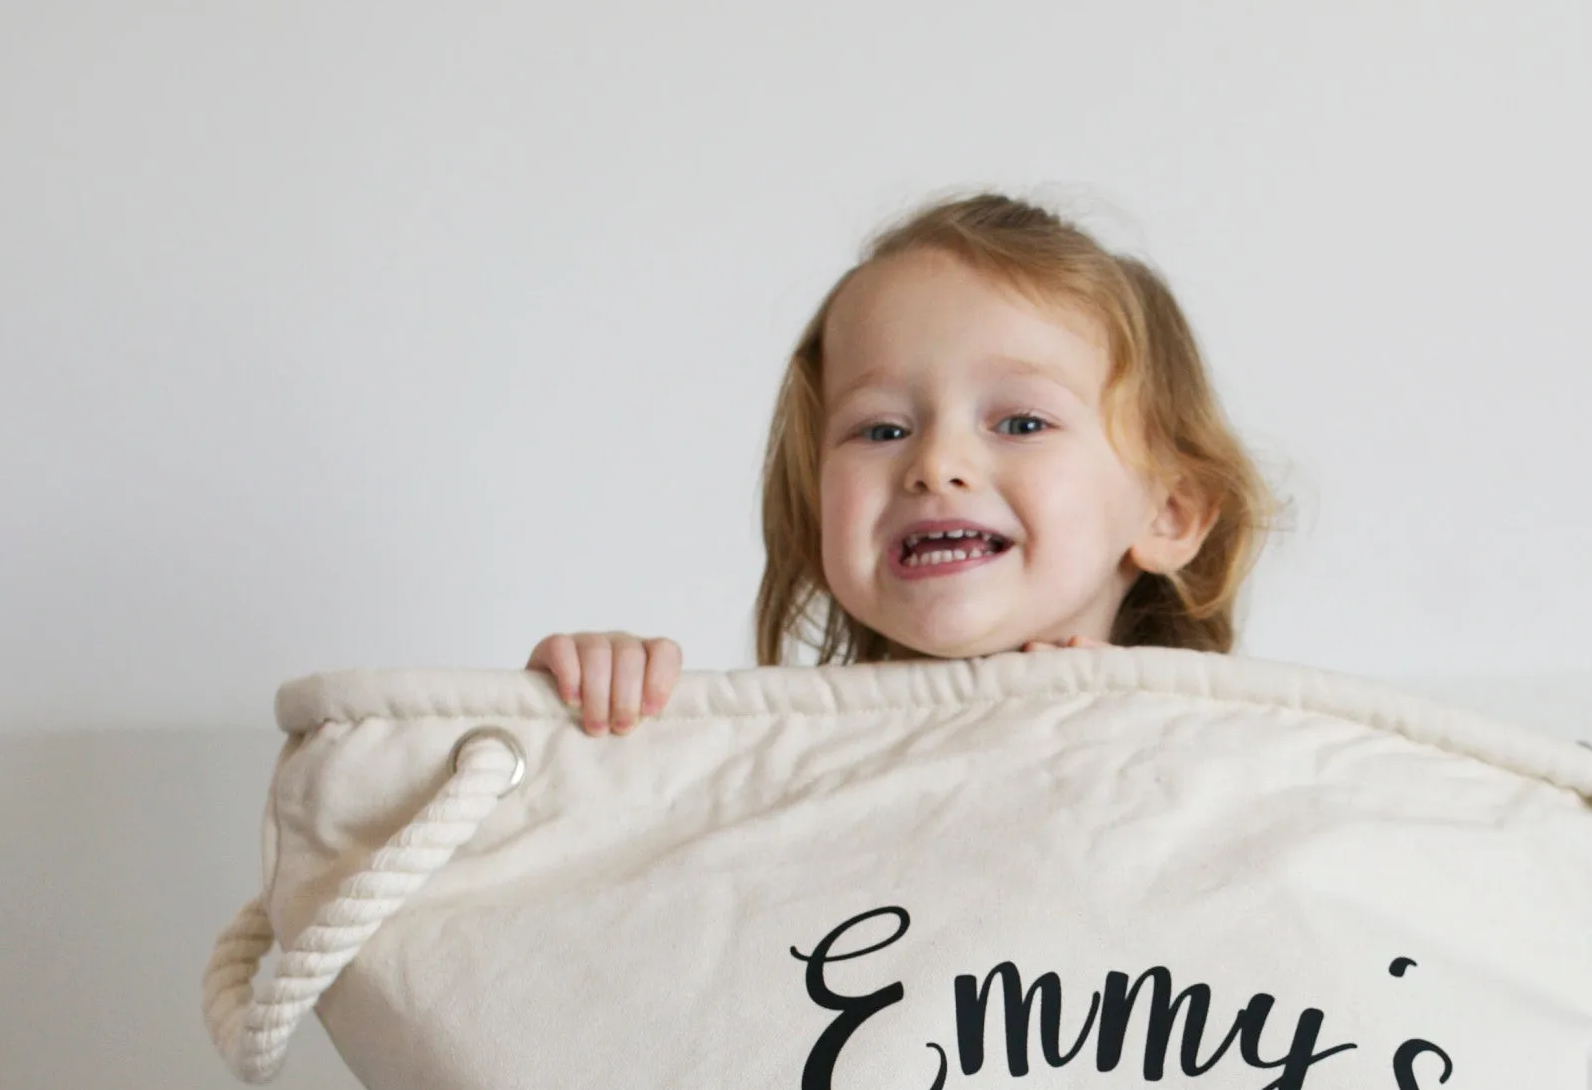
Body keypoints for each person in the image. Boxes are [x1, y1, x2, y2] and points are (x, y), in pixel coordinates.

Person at [527, 193, 1274, 724]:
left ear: (1170, 512)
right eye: (881, 430)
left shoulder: (1232, 760)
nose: (936, 463)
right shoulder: (772, 759)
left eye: (1020, 421)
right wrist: (591, 719)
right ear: (816, 509)